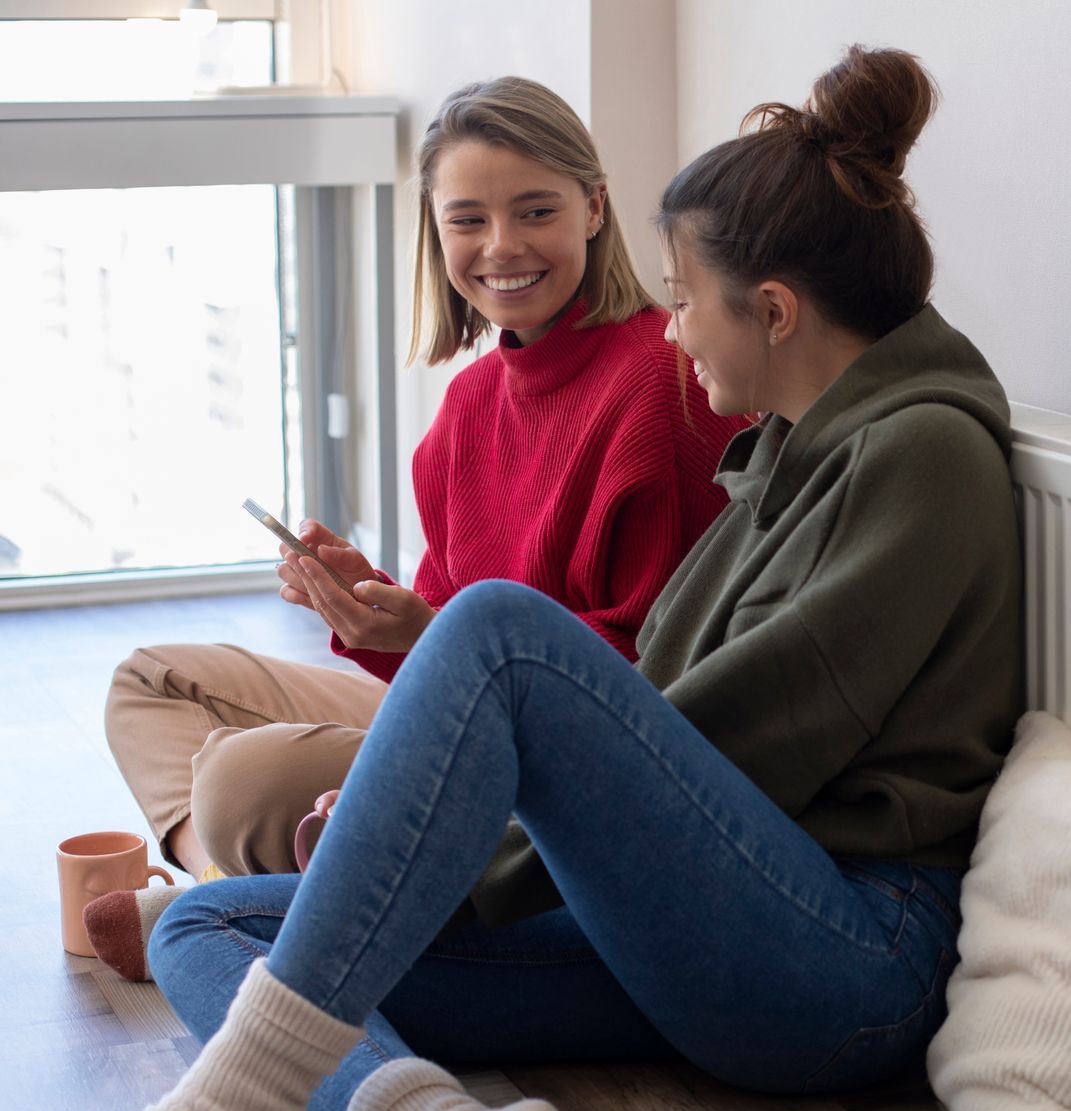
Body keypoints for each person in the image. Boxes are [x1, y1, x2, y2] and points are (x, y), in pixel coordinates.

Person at [0, 44, 1022, 1111]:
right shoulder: (794, 450)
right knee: (208, 926)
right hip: (692, 926)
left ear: (775, 311)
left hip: (843, 958)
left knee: (490, 625)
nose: (673, 323)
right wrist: (408, 841)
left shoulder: (921, 458)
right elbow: (672, 740)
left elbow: (746, 745)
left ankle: (233, 1110)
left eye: (685, 293)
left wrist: (456, 858)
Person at [99, 76, 750, 890]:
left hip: (571, 755)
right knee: (147, 681)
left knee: (238, 780)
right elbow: (433, 650)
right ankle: (220, 891)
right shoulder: (466, 409)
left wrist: (427, 634)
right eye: (468, 220)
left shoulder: (668, 383)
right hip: (458, 714)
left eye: (536, 211)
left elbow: (667, 673)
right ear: (436, 233)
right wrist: (370, 604)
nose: (501, 246)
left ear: (594, 207)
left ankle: (241, 901)